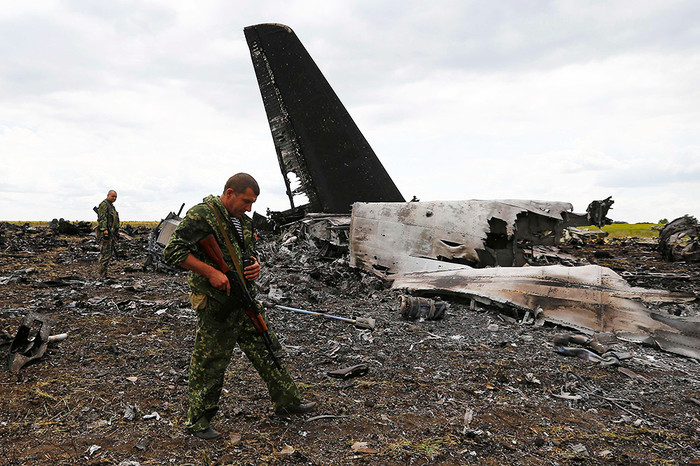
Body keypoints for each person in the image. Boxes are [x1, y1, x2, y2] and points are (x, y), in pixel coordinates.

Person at [163, 173, 315, 440]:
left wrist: (255, 265)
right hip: (217, 303)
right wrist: (210, 272)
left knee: (268, 347)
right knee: (210, 362)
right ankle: (198, 423)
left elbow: (245, 253)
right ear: (229, 193)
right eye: (246, 201)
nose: (250, 207)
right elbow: (172, 251)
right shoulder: (203, 215)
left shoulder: (243, 222)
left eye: (253, 202)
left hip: (243, 298)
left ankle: (287, 401)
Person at [96, 190, 120, 278]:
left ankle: (104, 275)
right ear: (108, 195)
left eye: (115, 197)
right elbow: (102, 219)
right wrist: (105, 231)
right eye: (113, 196)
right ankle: (102, 276)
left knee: (108, 254)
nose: (114, 198)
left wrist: (116, 233)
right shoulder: (104, 205)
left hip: (111, 233)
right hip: (106, 233)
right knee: (105, 255)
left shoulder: (111, 206)